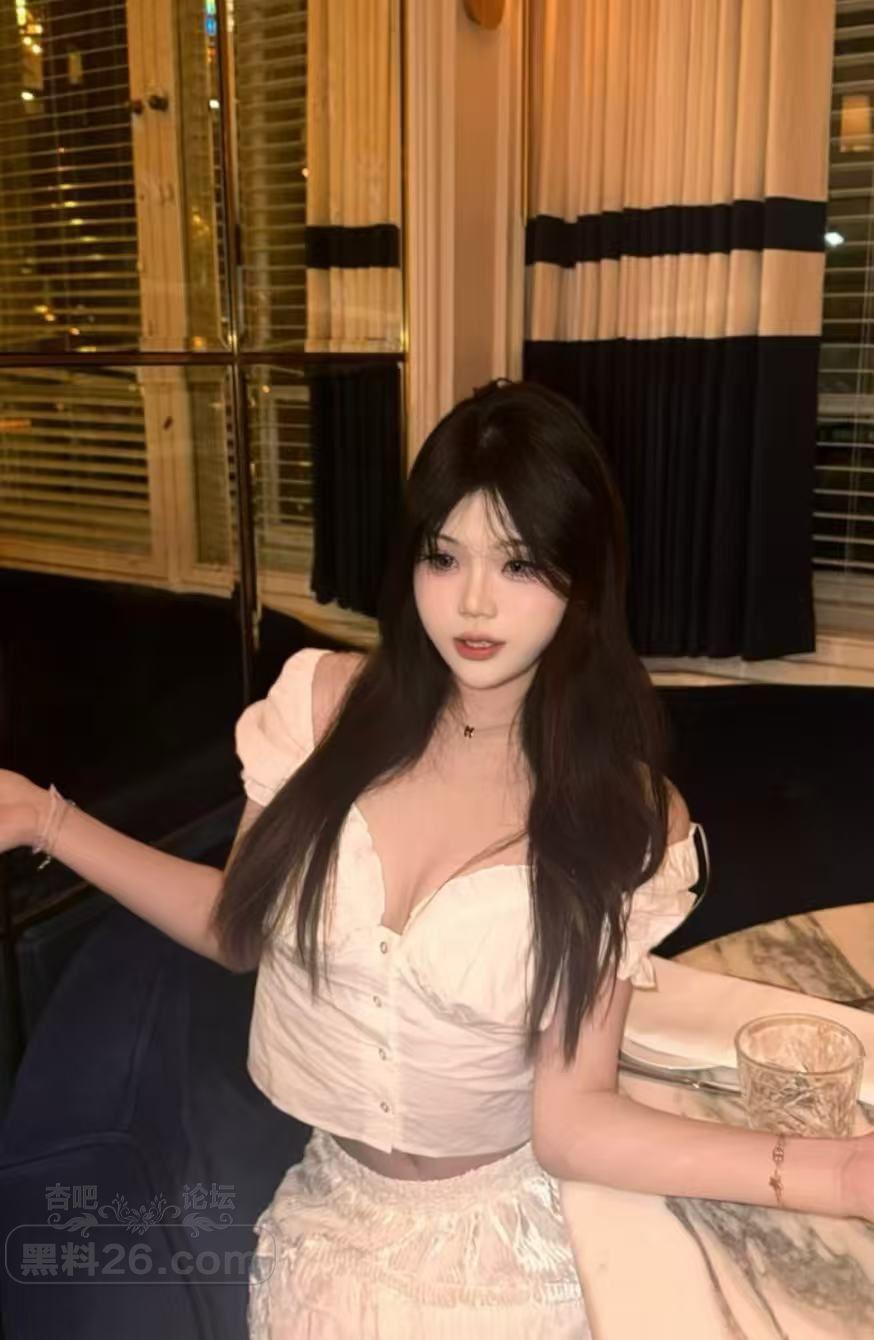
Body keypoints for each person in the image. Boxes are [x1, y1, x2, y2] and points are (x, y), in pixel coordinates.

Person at [1, 380, 873, 1340]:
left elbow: (576, 1121)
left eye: (521, 563)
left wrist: (839, 1174)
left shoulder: (619, 810)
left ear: (582, 579)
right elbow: (235, 925)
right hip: (332, 1227)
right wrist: (48, 819)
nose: (474, 602)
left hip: (524, 1247)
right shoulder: (318, 709)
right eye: (444, 556)